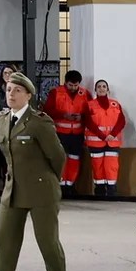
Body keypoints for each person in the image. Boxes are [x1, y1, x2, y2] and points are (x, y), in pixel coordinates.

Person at [0, 72, 68, 271]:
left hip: (41, 190)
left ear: (28, 95)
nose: (11, 94)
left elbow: (58, 157)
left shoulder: (39, 121)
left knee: (47, 242)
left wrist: (49, 180)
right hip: (13, 189)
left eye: (17, 90)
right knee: (3, 240)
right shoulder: (2, 119)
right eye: (9, 90)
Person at [43, 70, 90, 199]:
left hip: (77, 134)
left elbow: (90, 113)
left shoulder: (85, 94)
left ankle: (70, 185)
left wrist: (81, 117)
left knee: (74, 159)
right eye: (71, 85)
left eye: (76, 85)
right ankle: (60, 185)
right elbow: (47, 110)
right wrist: (64, 115)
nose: (73, 88)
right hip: (60, 133)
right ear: (65, 82)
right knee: (61, 160)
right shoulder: (56, 92)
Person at [83, 80, 127, 197]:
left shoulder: (115, 104)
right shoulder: (90, 105)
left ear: (108, 89)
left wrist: (112, 134)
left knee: (111, 166)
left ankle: (112, 190)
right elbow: (89, 122)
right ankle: (100, 190)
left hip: (112, 142)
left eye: (104, 86)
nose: (101, 88)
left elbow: (121, 121)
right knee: (98, 166)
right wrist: (102, 136)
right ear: (95, 90)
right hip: (96, 142)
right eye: (99, 87)